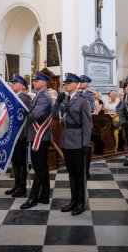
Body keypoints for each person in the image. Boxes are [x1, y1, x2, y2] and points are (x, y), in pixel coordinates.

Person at [52, 73, 92, 216]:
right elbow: (55, 116)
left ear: (75, 84)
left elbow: (88, 123)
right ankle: (73, 201)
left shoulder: (83, 100)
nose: (66, 85)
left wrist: (86, 144)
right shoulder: (65, 99)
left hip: (78, 141)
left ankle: (81, 203)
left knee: (80, 175)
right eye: (65, 83)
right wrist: (57, 102)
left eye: (68, 83)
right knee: (71, 174)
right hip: (66, 140)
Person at [20, 71, 52, 209]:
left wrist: (24, 115)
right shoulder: (39, 95)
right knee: (42, 167)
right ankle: (44, 196)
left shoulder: (44, 96)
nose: (34, 82)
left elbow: (35, 115)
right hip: (38, 135)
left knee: (38, 167)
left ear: (43, 83)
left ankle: (32, 198)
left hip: (40, 136)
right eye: (34, 80)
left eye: (37, 80)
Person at [5, 75, 33, 197]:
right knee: (15, 161)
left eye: (15, 83)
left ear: (22, 86)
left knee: (21, 162)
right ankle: (16, 185)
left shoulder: (25, 98)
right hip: (12, 134)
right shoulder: (12, 97)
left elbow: (30, 115)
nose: (12, 84)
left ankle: (22, 187)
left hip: (21, 135)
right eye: (12, 83)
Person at [79, 75, 95, 179]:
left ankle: (86, 171)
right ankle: (80, 170)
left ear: (87, 83)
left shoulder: (90, 94)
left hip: (86, 123)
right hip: (77, 124)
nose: (80, 83)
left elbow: (92, 109)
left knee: (86, 147)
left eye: (83, 82)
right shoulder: (78, 93)